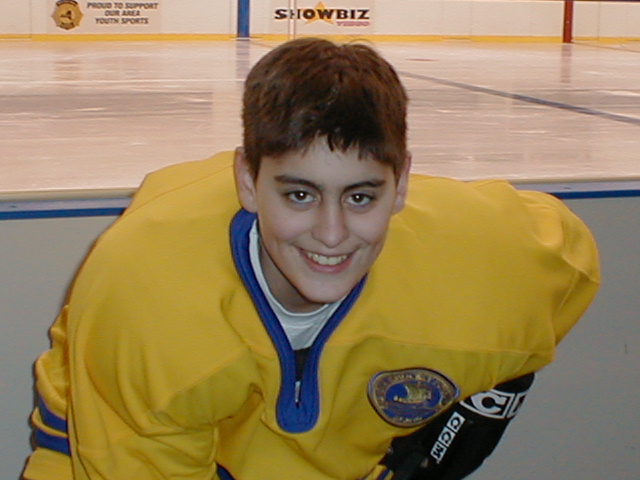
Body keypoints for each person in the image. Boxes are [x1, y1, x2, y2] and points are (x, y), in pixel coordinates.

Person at [23, 38, 600, 480]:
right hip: (106, 445)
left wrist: (480, 404)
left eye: (361, 196)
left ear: (401, 187)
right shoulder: (146, 297)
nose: (331, 235)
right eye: (299, 194)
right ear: (247, 181)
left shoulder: (487, 264)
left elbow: (570, 255)